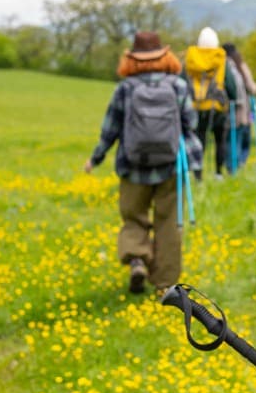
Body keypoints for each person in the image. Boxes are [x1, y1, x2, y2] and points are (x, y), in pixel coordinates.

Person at [84, 31, 199, 295]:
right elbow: (191, 123)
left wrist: (96, 157)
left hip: (132, 165)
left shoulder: (125, 88)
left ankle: (137, 260)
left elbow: (110, 128)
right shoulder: (177, 86)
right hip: (170, 166)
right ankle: (166, 285)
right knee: (168, 222)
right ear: (164, 55)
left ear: (132, 59)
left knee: (133, 217)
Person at [183, 27, 241, 179]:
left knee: (199, 140)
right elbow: (229, 83)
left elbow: (182, 80)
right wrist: (233, 98)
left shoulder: (190, 57)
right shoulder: (220, 57)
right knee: (219, 140)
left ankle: (198, 174)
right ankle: (218, 173)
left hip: (195, 106)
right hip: (217, 106)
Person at [223, 43, 256, 168]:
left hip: (235, 112)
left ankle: (234, 166)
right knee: (244, 139)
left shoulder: (223, 67)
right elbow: (252, 88)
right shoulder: (242, 66)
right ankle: (239, 164)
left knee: (233, 140)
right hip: (248, 111)